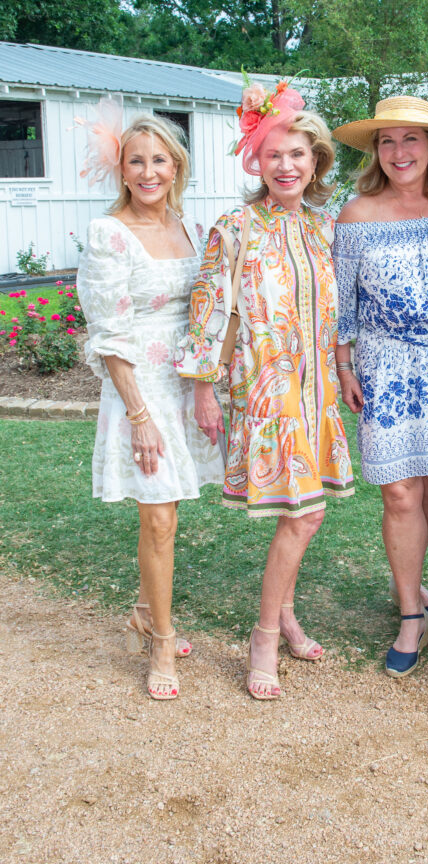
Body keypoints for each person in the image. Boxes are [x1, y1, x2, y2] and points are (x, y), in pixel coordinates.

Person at [175, 79, 354, 701]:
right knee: (305, 516)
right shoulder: (237, 226)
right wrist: (203, 387)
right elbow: (207, 309)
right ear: (257, 161)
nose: (286, 165)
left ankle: (286, 616)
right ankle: (265, 636)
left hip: (315, 394)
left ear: (316, 161)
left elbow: (333, 313)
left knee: (306, 511)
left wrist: (344, 368)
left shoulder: (323, 228)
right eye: (273, 154)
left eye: (297, 154)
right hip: (266, 393)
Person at [332, 95, 428, 677]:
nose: (400, 151)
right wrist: (345, 366)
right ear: (376, 150)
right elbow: (341, 303)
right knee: (400, 493)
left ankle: (413, 583)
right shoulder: (357, 215)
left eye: (411, 138)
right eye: (387, 140)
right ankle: (409, 615)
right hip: (387, 364)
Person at [77, 104, 224, 701]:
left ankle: (144, 610)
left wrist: (208, 380)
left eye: (158, 160)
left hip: (182, 383)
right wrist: (139, 416)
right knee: (158, 517)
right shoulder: (109, 233)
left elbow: (206, 305)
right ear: (121, 168)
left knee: (170, 511)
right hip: (139, 390)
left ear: (176, 166)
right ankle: (162, 641)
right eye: (135, 161)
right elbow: (108, 336)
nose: (148, 172)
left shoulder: (188, 226)